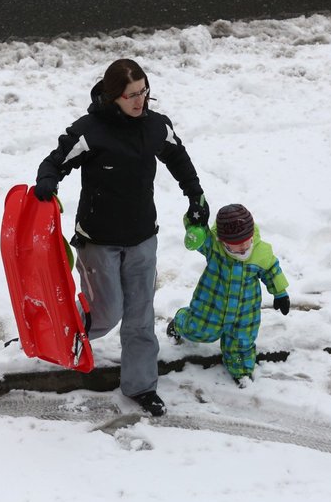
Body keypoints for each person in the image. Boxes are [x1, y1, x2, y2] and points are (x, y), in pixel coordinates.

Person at [33, 58, 209, 416]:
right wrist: (47, 183)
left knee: (140, 316)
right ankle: (58, 332)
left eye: (144, 92)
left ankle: (141, 386)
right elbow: (55, 161)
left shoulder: (156, 127)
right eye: (131, 95)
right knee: (107, 312)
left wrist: (195, 195)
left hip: (143, 235)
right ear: (114, 97)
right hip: (98, 238)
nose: (139, 101)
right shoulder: (91, 131)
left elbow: (178, 157)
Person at [167, 204, 290, 387]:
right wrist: (194, 223)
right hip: (212, 303)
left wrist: (280, 292)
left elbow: (272, 270)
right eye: (234, 245)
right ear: (222, 241)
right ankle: (180, 321)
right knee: (199, 330)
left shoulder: (260, 252)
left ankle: (240, 370)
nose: (242, 248)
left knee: (242, 339)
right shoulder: (214, 247)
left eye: (246, 242)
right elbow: (198, 234)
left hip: (245, 309)